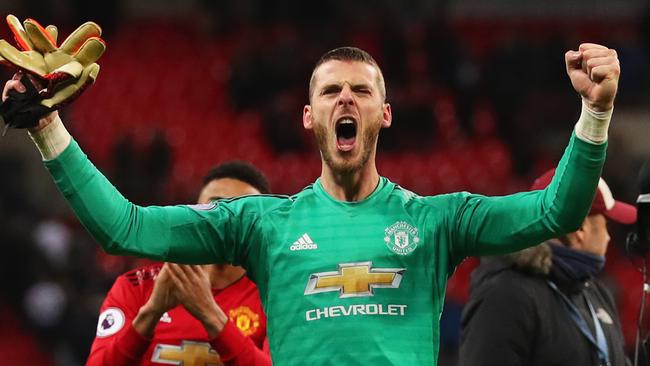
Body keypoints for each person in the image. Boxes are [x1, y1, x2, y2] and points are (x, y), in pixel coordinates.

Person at [2, 20, 621, 363]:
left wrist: (594, 113)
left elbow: (556, 209)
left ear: (385, 113)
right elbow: (125, 228)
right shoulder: (260, 223)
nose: (345, 99)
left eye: (360, 91)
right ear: (308, 116)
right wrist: (48, 127)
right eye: (330, 92)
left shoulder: (438, 220)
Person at [86, 161, 272, 366]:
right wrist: (151, 313)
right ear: (195, 215)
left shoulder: (274, 295)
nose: (224, 219)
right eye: (215, 206)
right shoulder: (137, 287)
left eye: (239, 210)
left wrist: (210, 315)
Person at [459, 169, 635, 366]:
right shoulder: (505, 294)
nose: (609, 237)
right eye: (606, 225)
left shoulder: (595, 293)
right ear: (580, 229)